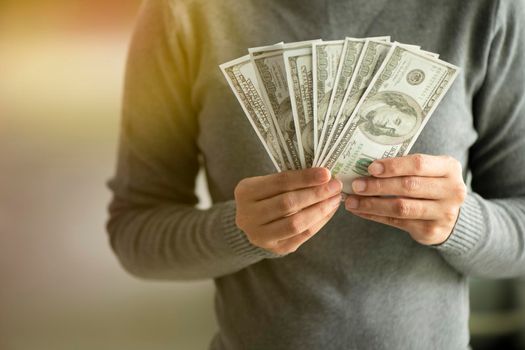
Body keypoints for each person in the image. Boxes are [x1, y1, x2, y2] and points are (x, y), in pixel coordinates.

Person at [106, 0, 525, 349]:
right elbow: (134, 233)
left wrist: (459, 223)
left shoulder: (488, 9)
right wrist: (238, 231)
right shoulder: (184, 12)